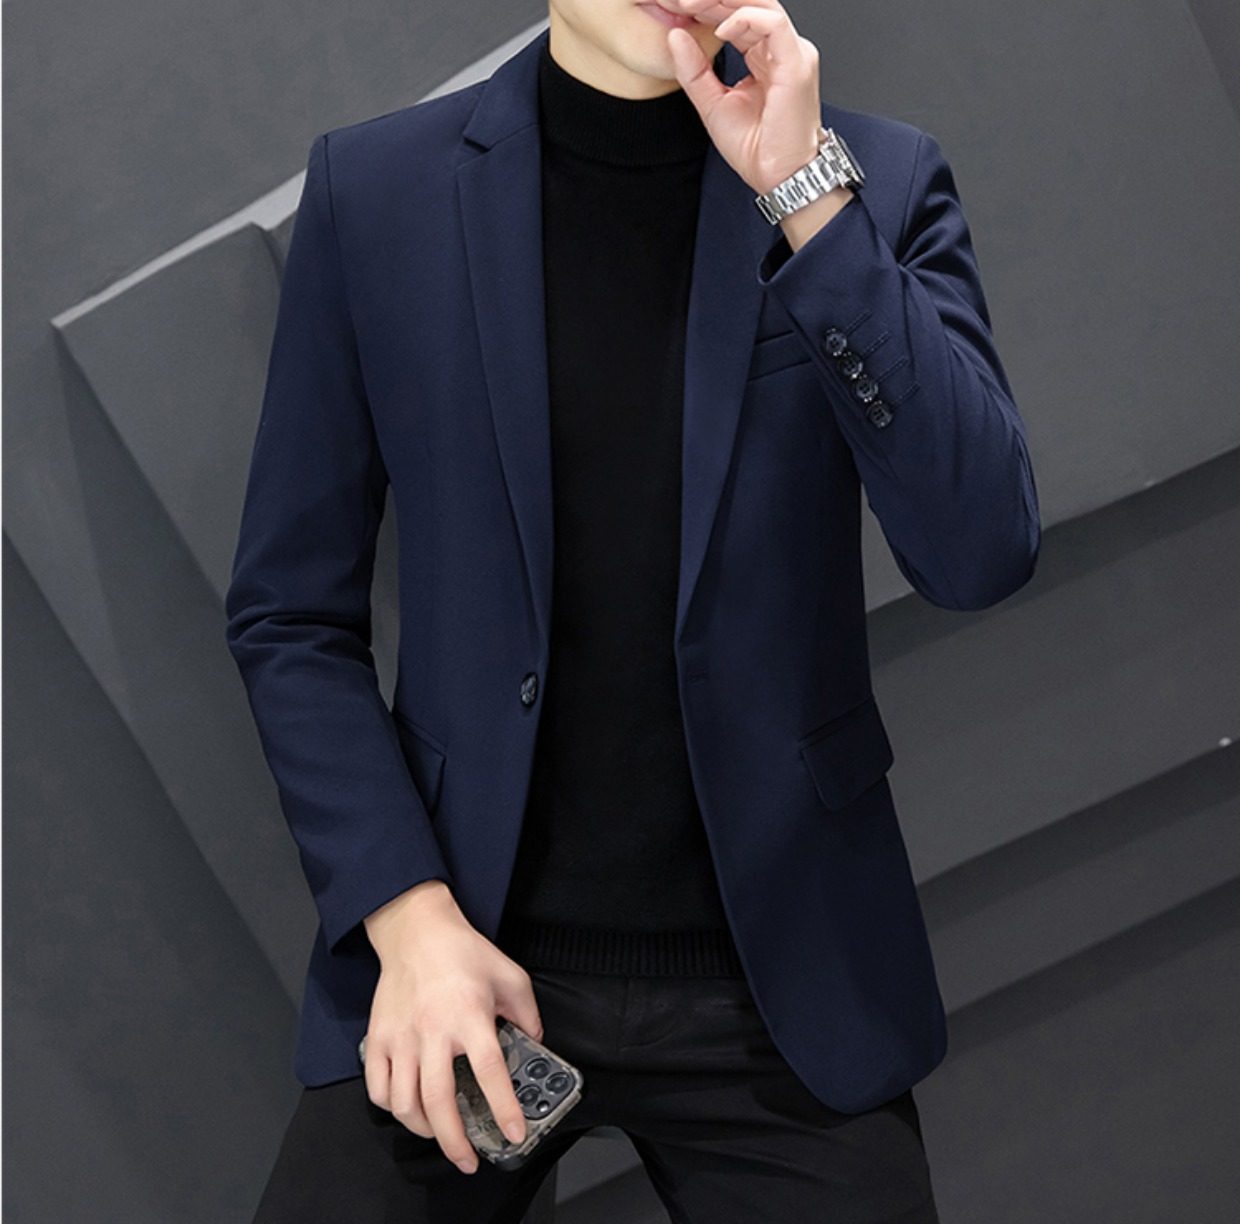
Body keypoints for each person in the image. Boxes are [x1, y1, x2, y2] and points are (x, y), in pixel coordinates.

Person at [225, 1, 1040, 1220]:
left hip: (781, 978)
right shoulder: (377, 192)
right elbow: (289, 613)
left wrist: (809, 203)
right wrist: (408, 919)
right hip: (461, 947)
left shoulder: (875, 180)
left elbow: (979, 554)